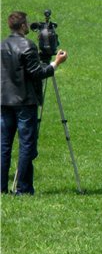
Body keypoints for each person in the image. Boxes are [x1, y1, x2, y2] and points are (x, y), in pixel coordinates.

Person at [1, 11, 68, 195]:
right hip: (24, 102)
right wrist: (55, 64)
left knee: (4, 144)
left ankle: (1, 187)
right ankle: (23, 188)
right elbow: (37, 73)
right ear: (22, 25)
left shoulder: (2, 45)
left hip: (4, 101)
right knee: (26, 145)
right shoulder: (27, 46)